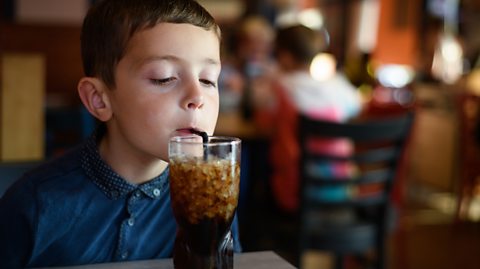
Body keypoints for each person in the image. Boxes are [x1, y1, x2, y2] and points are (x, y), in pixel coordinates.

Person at [0, 0, 241, 267]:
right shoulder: (35, 205)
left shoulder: (209, 195)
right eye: (164, 77)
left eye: (208, 79)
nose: (197, 97)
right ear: (99, 100)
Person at [258, 24, 363, 214]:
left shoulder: (279, 88)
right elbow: (357, 106)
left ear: (285, 56)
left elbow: (264, 126)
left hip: (295, 192)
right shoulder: (337, 86)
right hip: (341, 188)